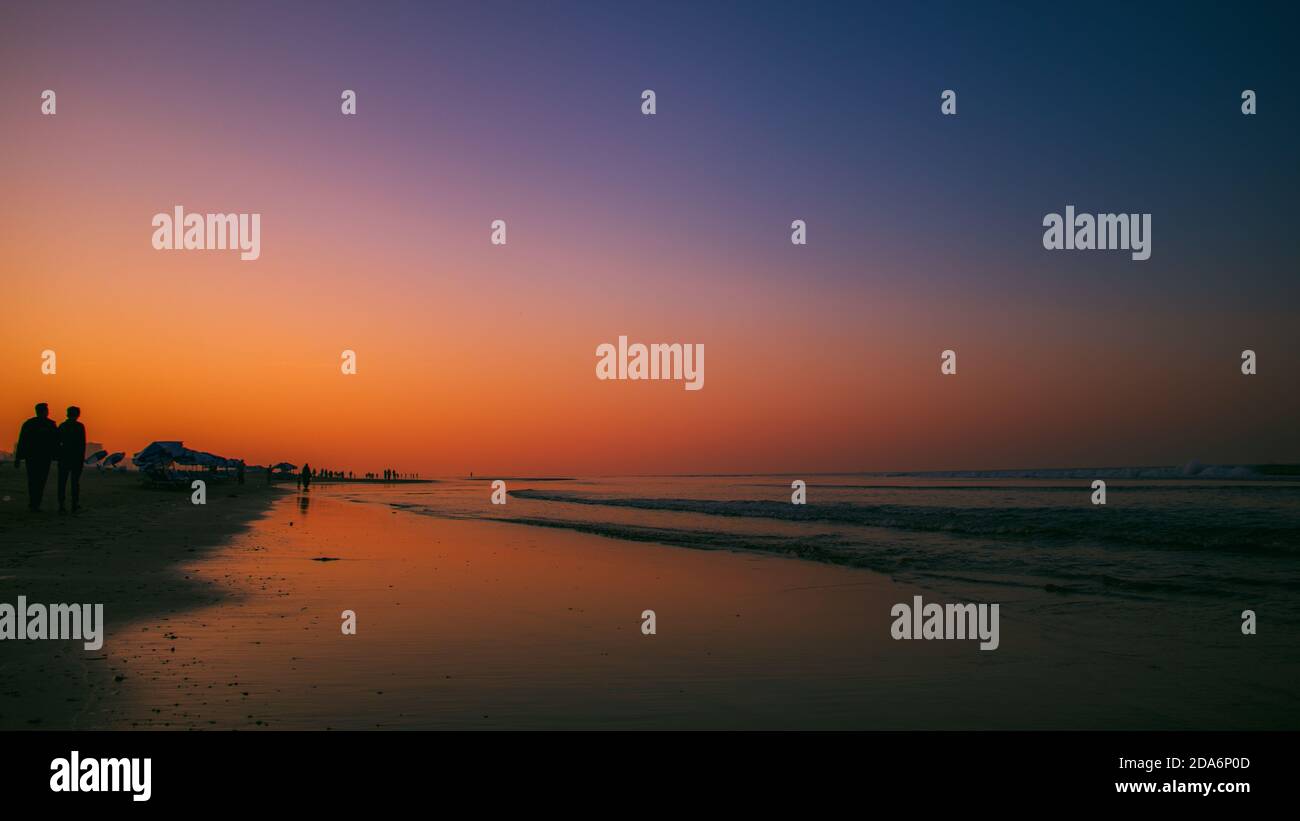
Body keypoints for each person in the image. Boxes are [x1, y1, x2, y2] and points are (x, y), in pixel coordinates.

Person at [15, 403, 59, 512]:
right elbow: (56, 442)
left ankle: (33, 503)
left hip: (32, 457)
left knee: (33, 480)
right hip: (44, 458)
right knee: (41, 481)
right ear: (45, 411)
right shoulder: (50, 424)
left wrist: (18, 458)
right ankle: (36, 503)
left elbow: (22, 441)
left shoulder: (29, 424)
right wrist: (57, 456)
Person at [56, 406, 87, 514]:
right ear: (78, 415)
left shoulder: (62, 426)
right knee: (75, 482)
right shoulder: (79, 427)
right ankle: (74, 504)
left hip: (64, 457)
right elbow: (82, 444)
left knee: (62, 482)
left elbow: (57, 442)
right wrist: (82, 458)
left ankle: (61, 505)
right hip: (76, 458)